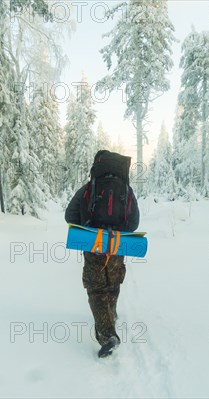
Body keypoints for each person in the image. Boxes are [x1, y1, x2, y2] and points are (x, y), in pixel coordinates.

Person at [65, 150, 140, 357]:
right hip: (116, 245)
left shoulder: (89, 188)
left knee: (96, 289)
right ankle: (111, 315)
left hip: (93, 244)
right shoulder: (126, 189)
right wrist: (117, 231)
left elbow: (69, 215)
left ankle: (108, 335)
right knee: (112, 283)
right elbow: (134, 223)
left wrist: (87, 228)